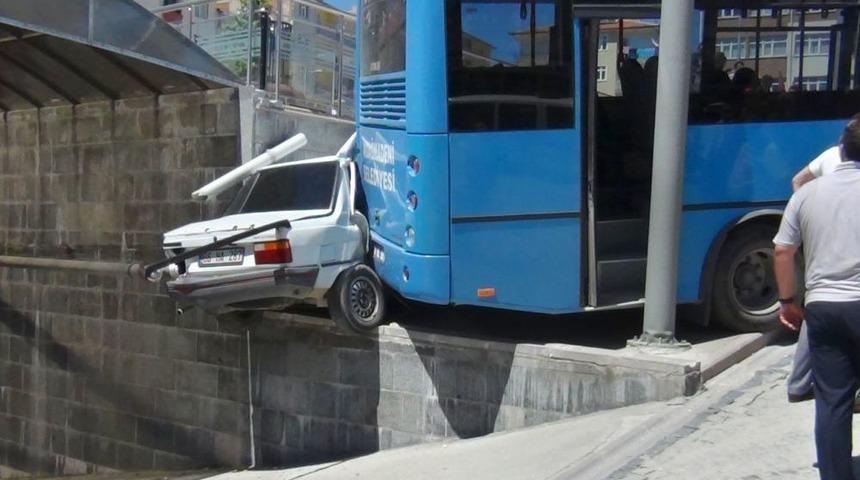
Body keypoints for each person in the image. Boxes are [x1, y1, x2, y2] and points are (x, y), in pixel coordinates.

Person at [774, 114, 860, 480]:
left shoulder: (807, 194)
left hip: (823, 307)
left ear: (841, 149)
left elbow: (782, 250)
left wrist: (788, 302)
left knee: (832, 401)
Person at [786, 145, 841, 403]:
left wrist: (806, 213)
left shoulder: (830, 154)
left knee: (818, 299)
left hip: (820, 242)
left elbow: (797, 181)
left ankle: (798, 383)